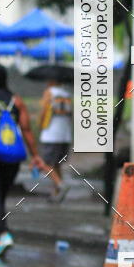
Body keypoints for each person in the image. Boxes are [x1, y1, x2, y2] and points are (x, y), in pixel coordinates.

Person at [0, 63, 48, 257]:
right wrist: (36, 157)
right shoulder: (17, 101)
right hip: (12, 157)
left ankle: (4, 234)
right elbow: (26, 131)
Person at [38, 72, 73, 202]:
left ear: (52, 80)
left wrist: (40, 125)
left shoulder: (49, 92)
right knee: (56, 165)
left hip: (51, 134)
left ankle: (61, 185)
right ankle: (56, 193)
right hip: (65, 134)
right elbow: (71, 115)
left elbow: (43, 112)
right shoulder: (67, 94)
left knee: (45, 163)